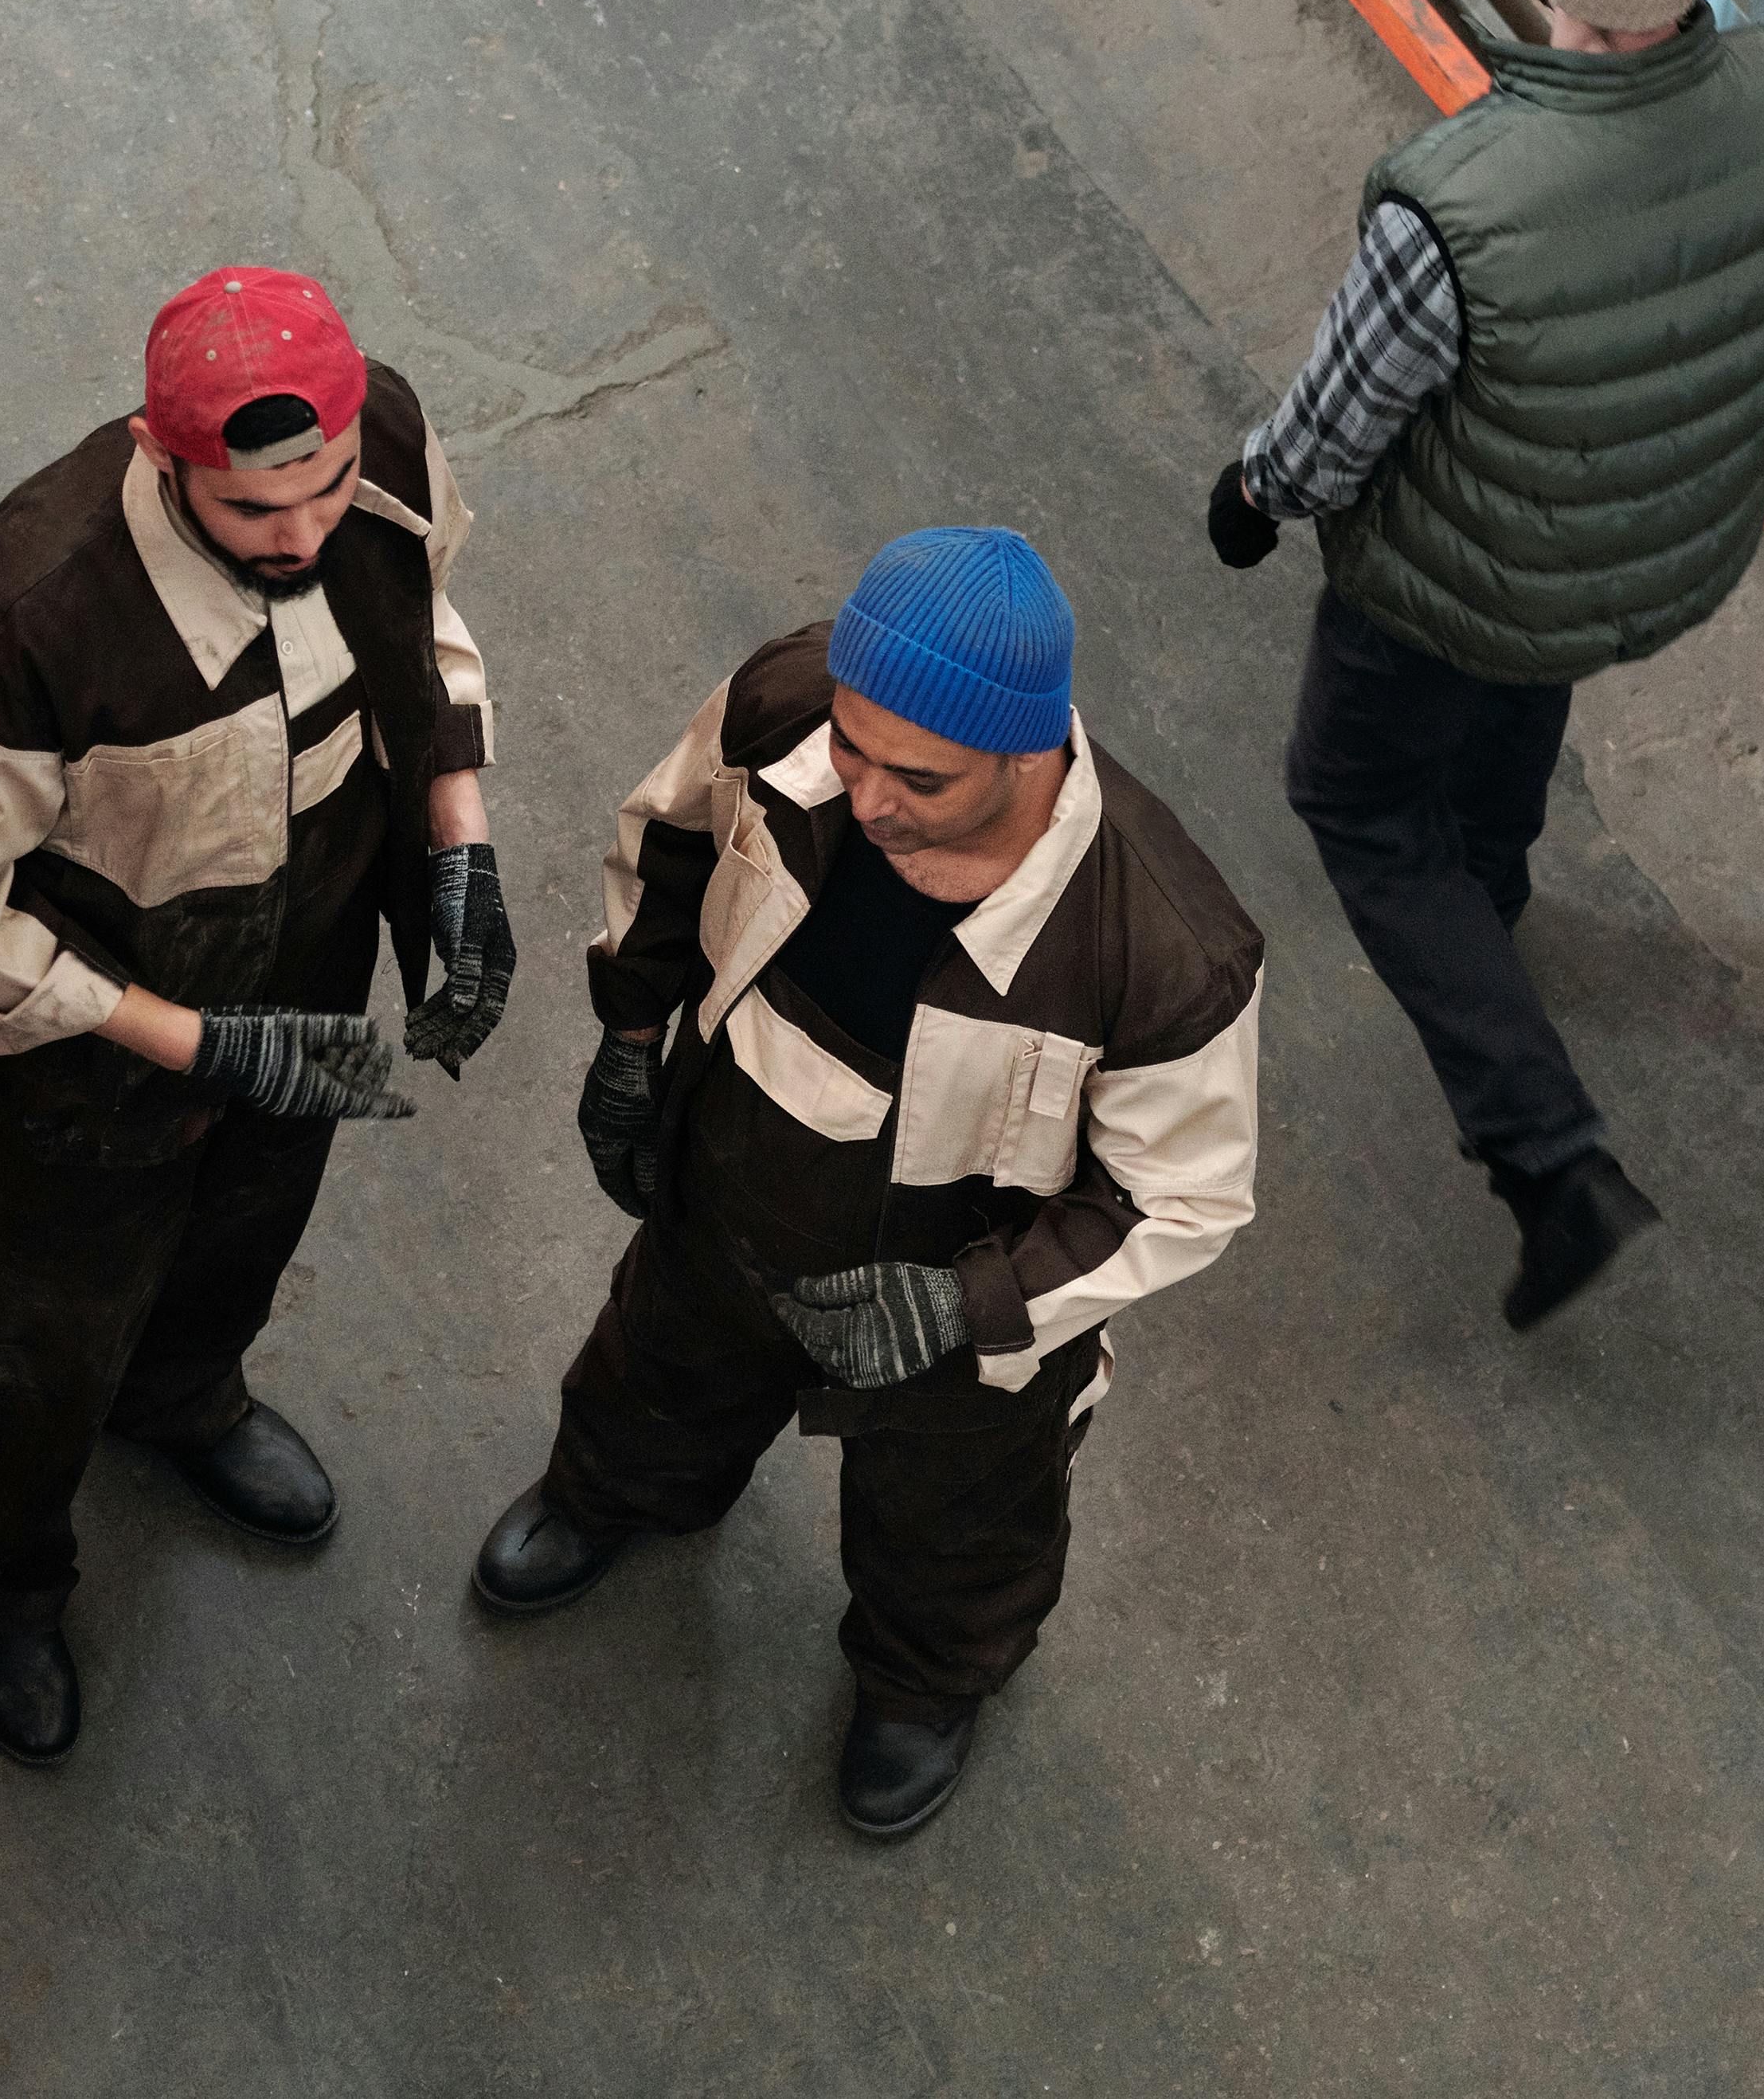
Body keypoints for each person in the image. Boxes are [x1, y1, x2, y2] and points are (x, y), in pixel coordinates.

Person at [469, 529, 1261, 1839]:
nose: (868, 797)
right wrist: (628, 1039)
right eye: (854, 746)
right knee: (660, 1364)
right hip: (732, 1180)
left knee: (958, 1514)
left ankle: (924, 1681)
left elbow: (1180, 1198)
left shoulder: (1159, 949)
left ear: (1032, 752)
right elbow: (669, 842)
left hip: (963, 1302)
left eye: (921, 779)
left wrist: (963, 1309)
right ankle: (616, 1494)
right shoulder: (790, 704)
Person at [1203, 0, 1764, 1333]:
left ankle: (1545, 1154)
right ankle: (1488, 880)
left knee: (1353, 796)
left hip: (1449, 577)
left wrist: (1253, 495)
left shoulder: (1463, 202)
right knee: (1518, 678)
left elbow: (1340, 419)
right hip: (1650, 544)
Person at [0, 267, 514, 1766]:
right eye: (254, 516)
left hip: (318, 945)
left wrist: (457, 837)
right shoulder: (24, 627)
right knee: (41, 1325)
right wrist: (188, 1042)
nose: (302, 537)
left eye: (327, 495)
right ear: (166, 458)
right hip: (97, 1039)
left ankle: (182, 1398)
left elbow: (429, 621)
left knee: (247, 1224)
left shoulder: (383, 450)